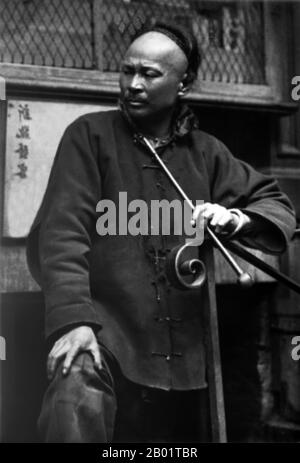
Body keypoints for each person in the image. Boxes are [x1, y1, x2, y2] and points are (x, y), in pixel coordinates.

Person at [26, 22, 296, 443]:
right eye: (126, 70)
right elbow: (63, 236)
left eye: (149, 74)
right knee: (75, 381)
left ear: (182, 84)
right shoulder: (89, 136)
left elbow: (273, 202)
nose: (133, 84)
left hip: (184, 348)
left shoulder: (206, 152)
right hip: (109, 331)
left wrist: (235, 219)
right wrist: (74, 323)